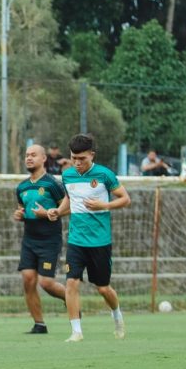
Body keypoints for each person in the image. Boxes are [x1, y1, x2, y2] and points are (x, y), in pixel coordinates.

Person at [59, 134, 130, 342]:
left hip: (100, 242)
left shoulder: (105, 175)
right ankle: (76, 331)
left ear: (92, 155)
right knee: (71, 283)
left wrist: (105, 205)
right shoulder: (68, 176)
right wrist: (57, 211)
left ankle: (117, 315)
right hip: (76, 241)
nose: (78, 163)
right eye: (74, 158)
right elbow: (69, 200)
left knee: (103, 288)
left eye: (82, 159)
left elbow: (125, 199)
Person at [14, 144, 68, 334]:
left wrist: (49, 213)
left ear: (44, 158)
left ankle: (71, 299)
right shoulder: (21, 187)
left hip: (49, 240)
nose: (29, 158)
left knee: (45, 282)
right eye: (27, 155)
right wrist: (20, 215)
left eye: (33, 155)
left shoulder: (53, 184)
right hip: (29, 239)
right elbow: (23, 209)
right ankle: (39, 324)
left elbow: (67, 208)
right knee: (28, 279)